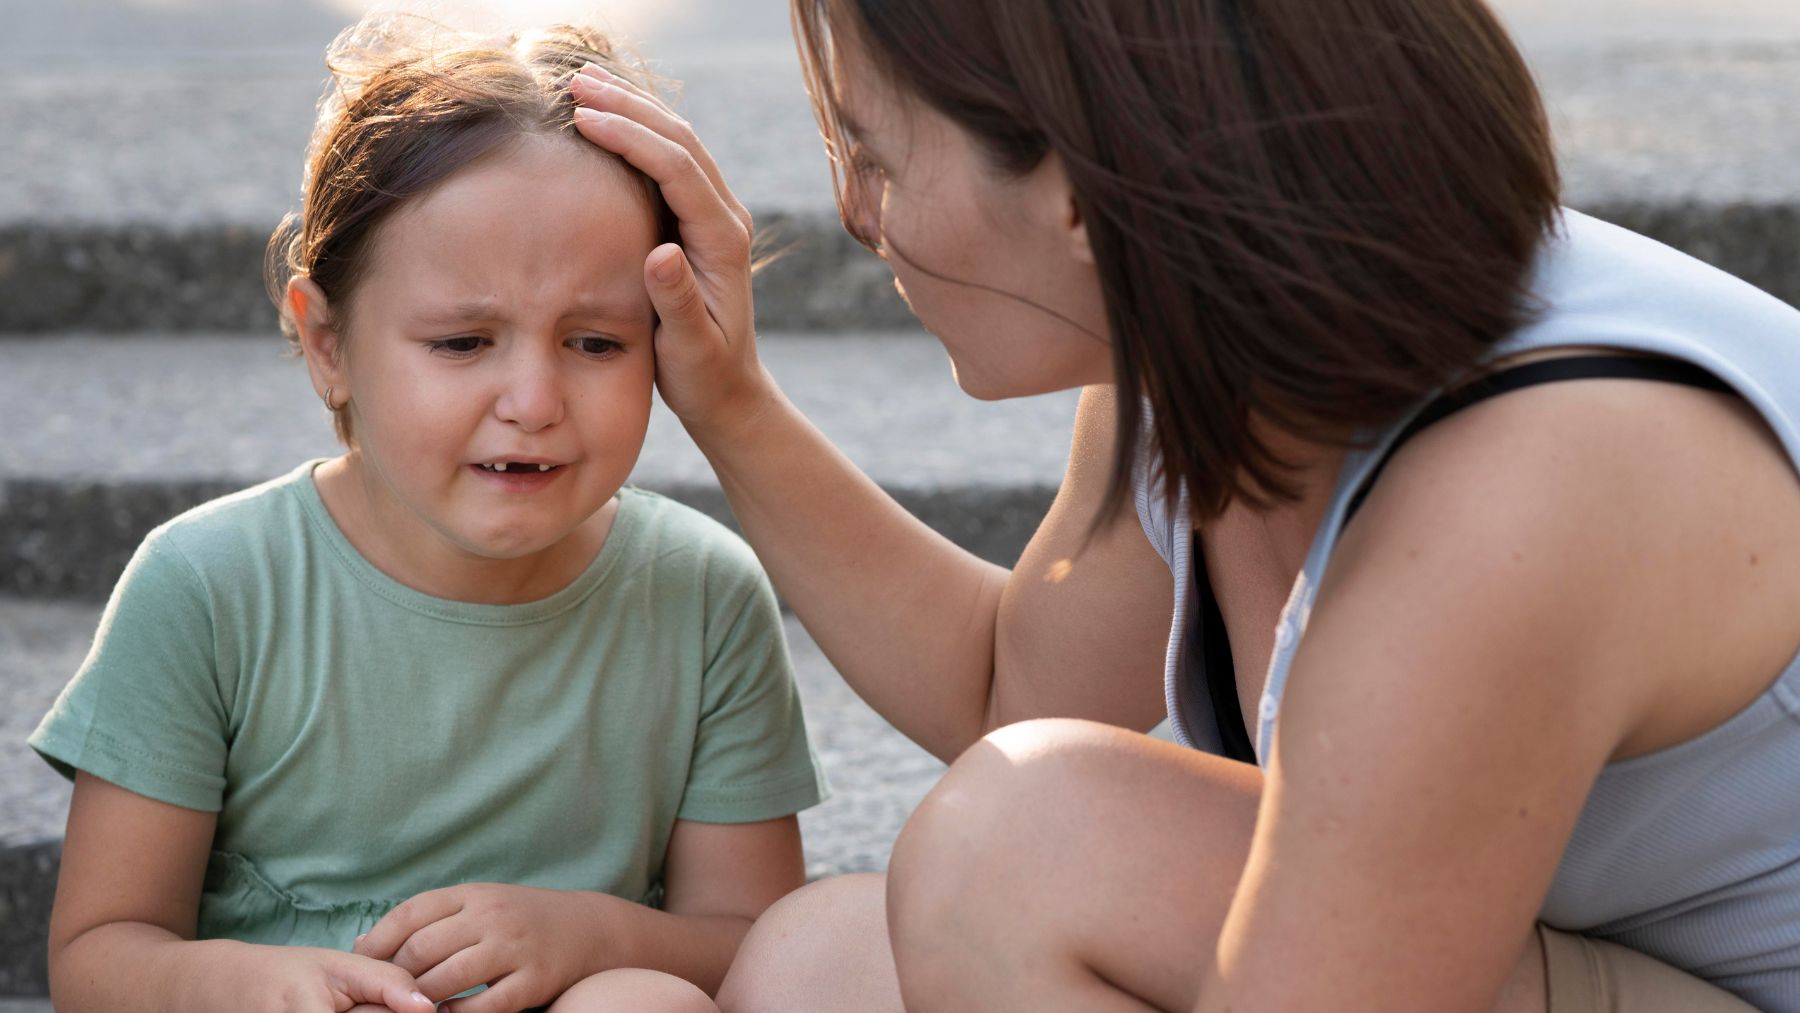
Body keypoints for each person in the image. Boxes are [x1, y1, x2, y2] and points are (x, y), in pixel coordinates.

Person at [564, 0, 1800, 1009]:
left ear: (1077, 195)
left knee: (1025, 847)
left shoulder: (1510, 505)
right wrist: (729, 400)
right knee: (820, 967)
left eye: (873, 156)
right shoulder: (1216, 348)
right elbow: (1011, 687)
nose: (854, 213)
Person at [29, 15, 826, 1013]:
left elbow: (759, 942)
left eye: (595, 342)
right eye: (462, 342)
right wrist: (257, 982)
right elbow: (99, 953)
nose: (533, 400)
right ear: (328, 344)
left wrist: (591, 933)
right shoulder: (207, 587)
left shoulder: (702, 594)